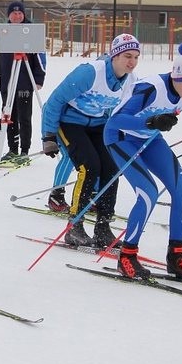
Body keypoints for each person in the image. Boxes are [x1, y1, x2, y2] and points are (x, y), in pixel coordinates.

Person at [105, 44, 182, 279]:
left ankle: (176, 256)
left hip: (150, 139)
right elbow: (115, 122)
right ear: (177, 77)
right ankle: (127, 256)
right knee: (147, 192)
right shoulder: (150, 88)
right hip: (121, 138)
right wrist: (150, 122)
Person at [41, 33, 141, 249]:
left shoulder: (130, 81)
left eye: (135, 57)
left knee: (112, 169)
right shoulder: (90, 73)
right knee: (89, 167)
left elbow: (128, 111)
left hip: (97, 125)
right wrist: (48, 135)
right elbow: (55, 101)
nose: (131, 62)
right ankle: (74, 227)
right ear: (114, 55)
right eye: (127, 56)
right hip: (69, 122)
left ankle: (103, 227)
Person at [0, 0, 46, 163]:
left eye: (20, 13)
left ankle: (24, 151)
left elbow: (40, 58)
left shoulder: (32, 32)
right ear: (9, 15)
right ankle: (12, 149)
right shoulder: (3, 33)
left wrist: (38, 79)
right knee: (8, 115)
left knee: (24, 117)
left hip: (24, 83)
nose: (17, 16)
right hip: (7, 82)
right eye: (14, 13)